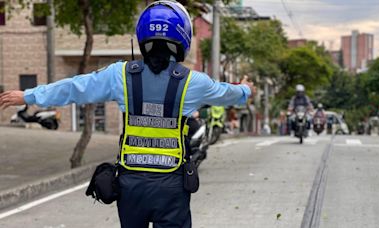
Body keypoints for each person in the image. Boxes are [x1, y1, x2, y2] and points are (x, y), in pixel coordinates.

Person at [0, 1, 254, 228]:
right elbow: (231, 94)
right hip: (172, 185)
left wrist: (28, 96)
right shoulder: (193, 82)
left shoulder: (120, 75)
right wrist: (246, 88)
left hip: (131, 185)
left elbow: (76, 87)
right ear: (183, 36)